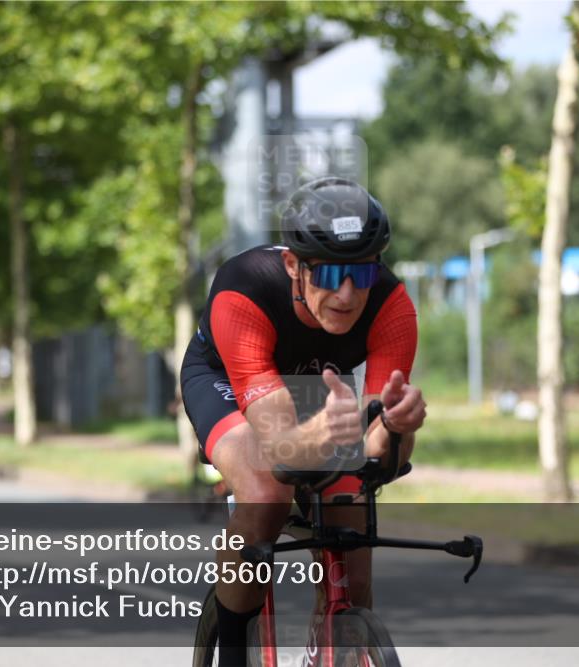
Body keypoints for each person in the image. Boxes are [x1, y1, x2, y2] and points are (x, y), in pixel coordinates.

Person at [180, 177, 425, 666]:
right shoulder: (243, 289)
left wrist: (399, 427)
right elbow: (280, 448)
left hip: (320, 392)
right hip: (227, 381)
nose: (349, 294)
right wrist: (327, 434)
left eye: (364, 273)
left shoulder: (392, 307)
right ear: (294, 265)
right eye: (332, 275)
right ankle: (230, 653)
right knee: (267, 494)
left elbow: (381, 455)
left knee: (351, 540)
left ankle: (333, 646)